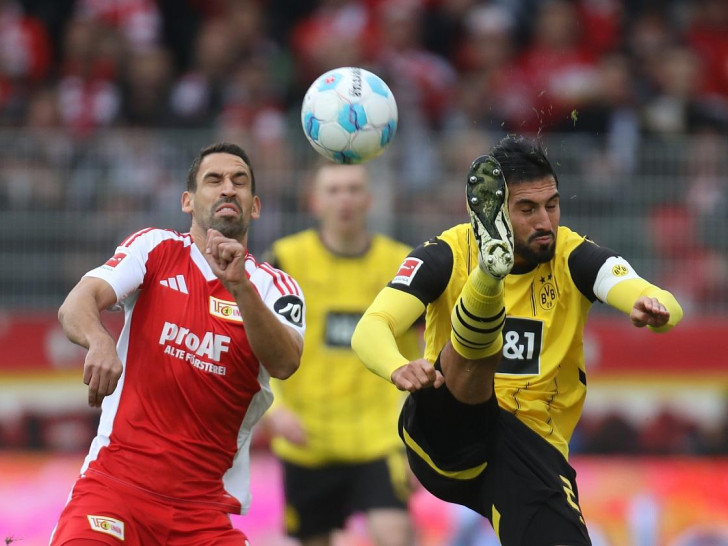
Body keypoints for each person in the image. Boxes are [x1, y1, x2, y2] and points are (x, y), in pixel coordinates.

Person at [352, 135, 683, 546]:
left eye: (552, 205)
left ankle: (488, 278)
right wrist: (397, 366)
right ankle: (490, 274)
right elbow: (371, 327)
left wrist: (653, 308)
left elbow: (650, 294)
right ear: (490, 210)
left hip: (530, 451)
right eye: (526, 209)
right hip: (448, 428)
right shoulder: (445, 253)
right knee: (471, 358)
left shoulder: (573, 255)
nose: (545, 222)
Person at [51, 142, 306, 545]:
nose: (228, 189)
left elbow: (286, 361)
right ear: (188, 201)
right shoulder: (155, 248)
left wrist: (239, 287)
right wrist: (99, 340)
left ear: (254, 206)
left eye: (239, 182)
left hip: (202, 514)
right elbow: (77, 303)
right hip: (115, 490)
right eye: (214, 180)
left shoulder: (275, 287)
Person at [263, 162, 420, 546]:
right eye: (333, 190)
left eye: (353, 189)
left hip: (380, 438)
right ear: (315, 201)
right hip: (308, 438)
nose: (344, 198)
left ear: (369, 199)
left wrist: (421, 441)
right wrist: (273, 410)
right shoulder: (285, 260)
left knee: (394, 533)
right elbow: (255, 348)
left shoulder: (402, 263)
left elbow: (424, 352)